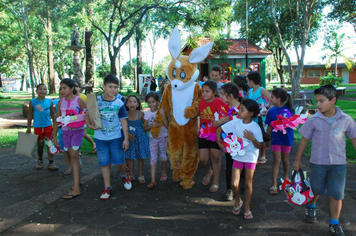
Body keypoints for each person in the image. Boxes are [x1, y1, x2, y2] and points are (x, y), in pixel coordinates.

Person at [293, 85, 356, 235]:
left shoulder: (346, 120)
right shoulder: (313, 120)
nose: (318, 104)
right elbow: (304, 140)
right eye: (317, 101)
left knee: (336, 193)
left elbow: (354, 139)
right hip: (318, 162)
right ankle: (312, 205)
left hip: (338, 164)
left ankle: (334, 223)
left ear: (333, 100)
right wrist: (297, 159)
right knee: (317, 189)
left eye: (321, 101)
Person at [218, 99, 270, 220]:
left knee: (247, 183)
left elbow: (259, 146)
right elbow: (219, 129)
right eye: (239, 109)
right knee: (234, 184)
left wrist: (252, 139)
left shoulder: (255, 127)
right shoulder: (235, 123)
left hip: (250, 158)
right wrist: (220, 143)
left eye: (242, 110)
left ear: (251, 113)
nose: (239, 111)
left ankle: (247, 208)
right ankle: (238, 200)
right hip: (237, 156)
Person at [85, 74, 131, 200]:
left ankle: (124, 175)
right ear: (104, 86)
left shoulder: (119, 103)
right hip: (100, 138)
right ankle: (107, 187)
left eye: (116, 87)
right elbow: (87, 114)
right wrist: (89, 124)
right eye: (110, 86)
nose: (113, 90)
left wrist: (126, 139)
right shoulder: (96, 100)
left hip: (116, 137)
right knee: (104, 162)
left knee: (119, 161)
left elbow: (124, 122)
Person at [52, 79, 86, 199]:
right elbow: (57, 118)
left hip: (77, 132)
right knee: (72, 156)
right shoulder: (61, 102)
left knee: (74, 156)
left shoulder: (79, 100)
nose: (62, 90)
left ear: (72, 88)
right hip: (65, 132)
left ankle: (76, 188)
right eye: (61, 88)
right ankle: (77, 182)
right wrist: (54, 135)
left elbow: (87, 114)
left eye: (64, 88)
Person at [265, 88, 294, 195]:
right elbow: (269, 125)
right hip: (276, 139)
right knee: (276, 160)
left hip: (287, 139)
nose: (270, 98)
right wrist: (267, 138)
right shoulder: (271, 111)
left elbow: (294, 123)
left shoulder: (289, 110)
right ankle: (274, 184)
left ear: (278, 99)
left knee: (285, 159)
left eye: (272, 97)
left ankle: (286, 178)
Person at [199, 80, 226, 193]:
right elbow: (197, 116)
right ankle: (209, 170)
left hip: (216, 134)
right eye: (203, 91)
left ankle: (216, 181)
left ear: (214, 92)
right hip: (203, 134)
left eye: (207, 91)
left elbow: (225, 117)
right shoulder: (200, 102)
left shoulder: (220, 102)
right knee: (203, 159)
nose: (204, 94)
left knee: (215, 158)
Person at [218, 83, 242, 201]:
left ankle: (240, 189)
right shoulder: (224, 109)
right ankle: (230, 189)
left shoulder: (243, 108)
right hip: (229, 144)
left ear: (230, 96)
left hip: (243, 144)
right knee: (229, 166)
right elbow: (215, 124)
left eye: (223, 94)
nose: (221, 96)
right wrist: (220, 121)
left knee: (242, 166)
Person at [26, 84, 58, 171]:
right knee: (40, 144)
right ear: (36, 91)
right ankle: (40, 160)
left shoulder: (49, 101)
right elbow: (30, 115)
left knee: (50, 144)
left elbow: (53, 113)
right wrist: (29, 127)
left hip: (48, 126)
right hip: (38, 127)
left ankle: (51, 162)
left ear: (46, 91)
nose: (42, 91)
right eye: (40, 89)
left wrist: (55, 125)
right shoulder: (32, 102)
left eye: (44, 89)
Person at [144, 92, 168, 189]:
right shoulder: (147, 113)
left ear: (158, 101)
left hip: (163, 137)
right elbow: (144, 128)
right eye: (149, 102)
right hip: (153, 139)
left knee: (163, 156)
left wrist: (163, 116)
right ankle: (153, 180)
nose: (151, 104)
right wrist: (151, 126)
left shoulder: (162, 111)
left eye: (153, 102)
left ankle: (163, 172)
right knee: (153, 158)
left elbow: (167, 126)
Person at [124, 95, 150, 184]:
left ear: (138, 104)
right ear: (126, 104)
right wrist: (128, 134)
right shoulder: (125, 114)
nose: (132, 103)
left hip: (140, 138)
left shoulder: (141, 113)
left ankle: (140, 175)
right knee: (130, 157)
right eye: (130, 102)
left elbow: (145, 126)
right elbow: (122, 127)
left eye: (134, 102)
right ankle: (131, 174)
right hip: (130, 139)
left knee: (140, 157)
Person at [247, 72, 271, 164]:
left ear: (252, 81)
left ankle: (263, 154)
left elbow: (271, 100)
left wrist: (268, 110)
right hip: (252, 117)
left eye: (248, 81)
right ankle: (254, 155)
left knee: (262, 135)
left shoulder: (262, 90)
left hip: (262, 117)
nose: (247, 83)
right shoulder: (249, 91)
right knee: (254, 135)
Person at [73, 79, 97, 155]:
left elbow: (88, 108)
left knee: (83, 134)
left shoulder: (83, 97)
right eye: (73, 86)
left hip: (83, 119)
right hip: (73, 120)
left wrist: (89, 119)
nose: (74, 88)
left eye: (76, 86)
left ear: (80, 88)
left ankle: (93, 143)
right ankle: (78, 151)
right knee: (75, 135)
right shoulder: (70, 98)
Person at [53, 89, 72, 175]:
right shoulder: (59, 103)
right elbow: (57, 118)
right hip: (62, 131)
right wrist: (54, 135)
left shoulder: (75, 102)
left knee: (74, 150)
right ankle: (69, 166)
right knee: (65, 150)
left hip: (73, 131)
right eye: (61, 94)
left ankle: (77, 164)